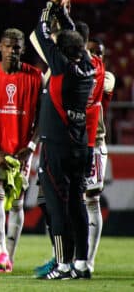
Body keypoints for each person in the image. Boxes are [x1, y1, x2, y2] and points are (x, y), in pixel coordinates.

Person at [34, 0, 95, 280]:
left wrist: (52, 3)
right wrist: (64, 15)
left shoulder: (62, 68)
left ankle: (62, 265)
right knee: (77, 205)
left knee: (58, 207)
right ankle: (82, 263)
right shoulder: (89, 66)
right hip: (80, 146)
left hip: (56, 147)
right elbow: (75, 41)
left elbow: (40, 32)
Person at [0, 28, 42, 273]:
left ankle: (9, 259)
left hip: (22, 152)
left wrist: (31, 148)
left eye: (16, 47)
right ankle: (1, 251)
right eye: (7, 46)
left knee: (16, 203)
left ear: (22, 50)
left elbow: (43, 117)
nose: (12, 51)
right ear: (0, 47)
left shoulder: (36, 77)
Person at [85, 36, 115, 273]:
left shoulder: (107, 77)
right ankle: (66, 257)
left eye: (99, 53)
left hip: (94, 142)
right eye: (91, 51)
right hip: (72, 144)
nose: (95, 56)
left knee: (91, 199)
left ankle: (89, 261)